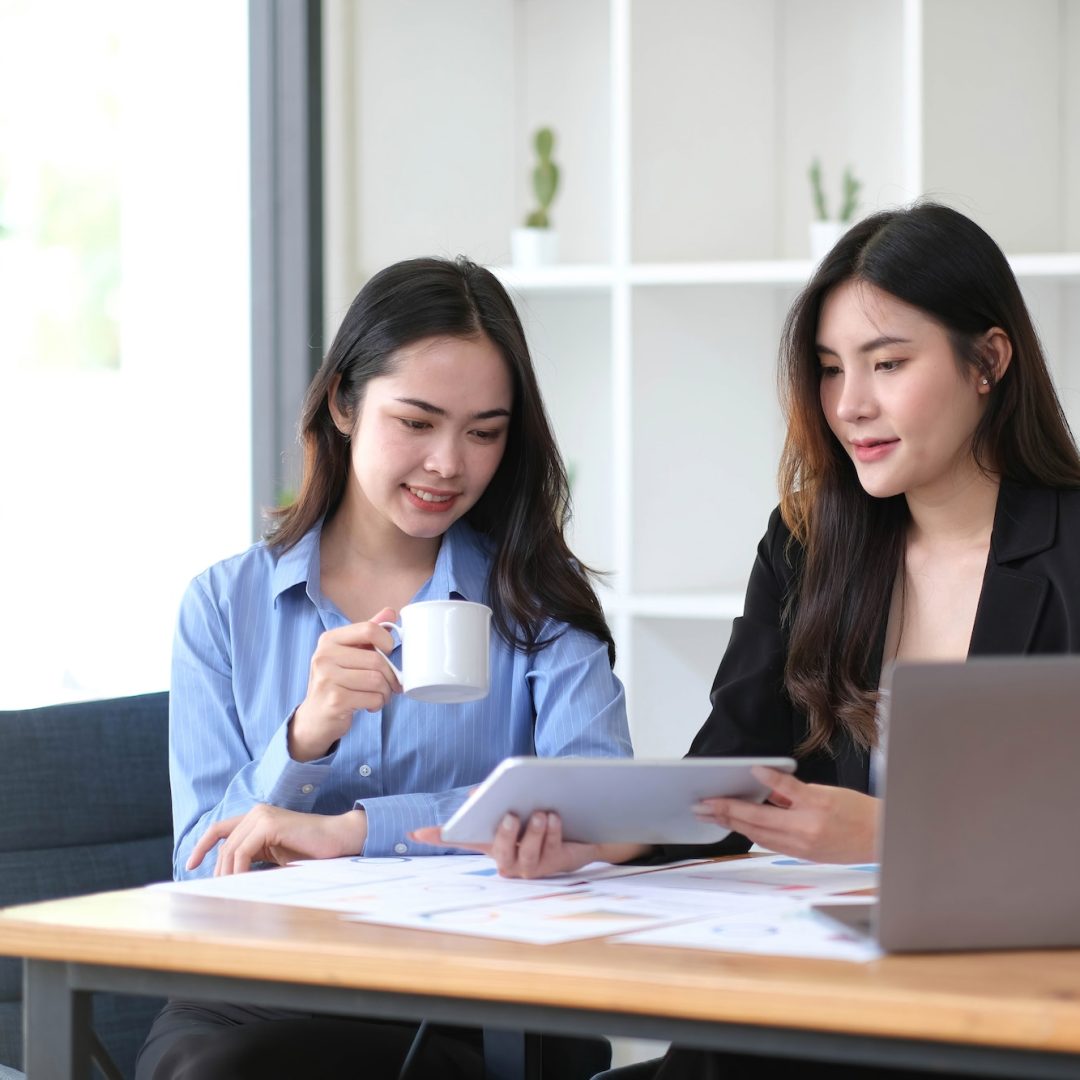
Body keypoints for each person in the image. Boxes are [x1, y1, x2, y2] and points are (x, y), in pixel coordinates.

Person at [416, 204, 1080, 1079]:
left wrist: (892, 833)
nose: (851, 404)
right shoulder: (808, 543)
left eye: (889, 363)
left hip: (1001, 1019)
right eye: (832, 368)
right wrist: (606, 840)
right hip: (809, 1001)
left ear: (988, 360)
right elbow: (734, 762)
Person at [135, 256, 631, 1080]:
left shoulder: (536, 598)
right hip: (258, 987)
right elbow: (199, 863)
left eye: (484, 432)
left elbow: (599, 802)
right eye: (418, 421)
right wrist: (303, 738)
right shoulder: (225, 605)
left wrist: (359, 833)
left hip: (475, 989)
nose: (448, 463)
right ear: (343, 403)